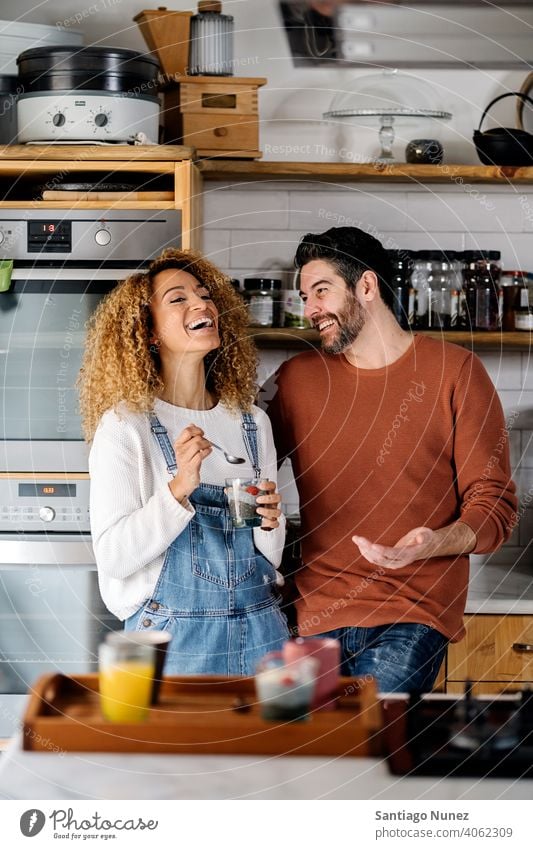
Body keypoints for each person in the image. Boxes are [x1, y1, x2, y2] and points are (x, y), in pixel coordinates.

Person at [267, 227, 517, 693]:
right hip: (312, 614)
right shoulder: (293, 380)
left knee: (364, 747)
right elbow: (239, 463)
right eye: (304, 297)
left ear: (366, 286)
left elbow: (496, 505)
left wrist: (433, 542)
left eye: (321, 292)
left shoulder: (456, 371)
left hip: (413, 613)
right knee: (307, 757)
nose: (310, 311)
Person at [79, 248, 289, 675]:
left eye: (205, 295)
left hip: (261, 628)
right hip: (172, 639)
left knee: (266, 745)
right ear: (149, 332)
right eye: (178, 299)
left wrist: (270, 522)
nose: (202, 304)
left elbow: (270, 558)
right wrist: (179, 488)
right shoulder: (126, 426)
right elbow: (115, 557)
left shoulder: (251, 423)